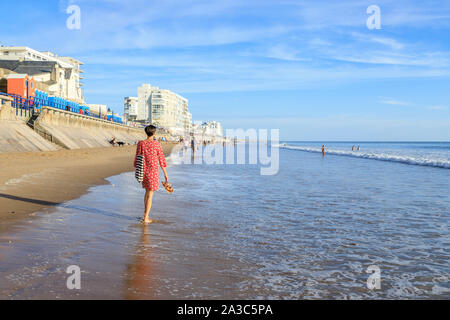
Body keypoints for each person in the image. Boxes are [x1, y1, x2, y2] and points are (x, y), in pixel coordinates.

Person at [134, 125, 169, 224]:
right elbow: (161, 159)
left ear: (146, 132)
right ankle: (146, 218)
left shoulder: (141, 143)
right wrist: (165, 174)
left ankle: (145, 215)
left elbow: (137, 157)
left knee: (147, 193)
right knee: (150, 194)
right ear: (154, 133)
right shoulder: (157, 144)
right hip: (153, 171)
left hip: (143, 171)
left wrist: (136, 168)